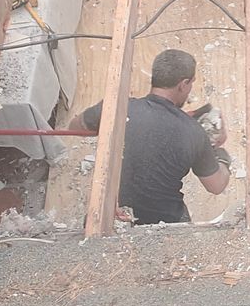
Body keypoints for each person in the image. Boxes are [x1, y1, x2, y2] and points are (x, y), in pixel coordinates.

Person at [73, 48, 230, 225]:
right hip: (165, 225)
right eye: (191, 84)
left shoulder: (116, 109)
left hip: (110, 219)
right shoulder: (194, 133)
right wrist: (220, 154)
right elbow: (216, 186)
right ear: (183, 84)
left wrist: (110, 126)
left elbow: (75, 128)